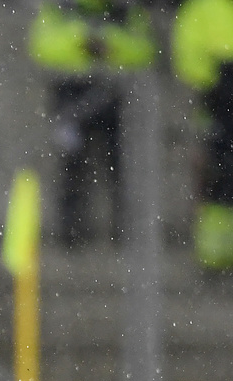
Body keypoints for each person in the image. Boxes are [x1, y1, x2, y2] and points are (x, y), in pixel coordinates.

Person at [28, 0, 156, 246]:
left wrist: (108, 43)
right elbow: (42, 46)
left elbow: (146, 51)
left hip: (115, 97)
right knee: (72, 167)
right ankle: (71, 234)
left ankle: (124, 235)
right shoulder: (60, 8)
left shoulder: (126, 9)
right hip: (71, 97)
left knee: (119, 167)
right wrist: (83, 41)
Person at [172, 0, 233, 270]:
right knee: (218, 175)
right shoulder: (201, 9)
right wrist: (219, 79)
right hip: (217, 106)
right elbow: (189, 61)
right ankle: (215, 253)